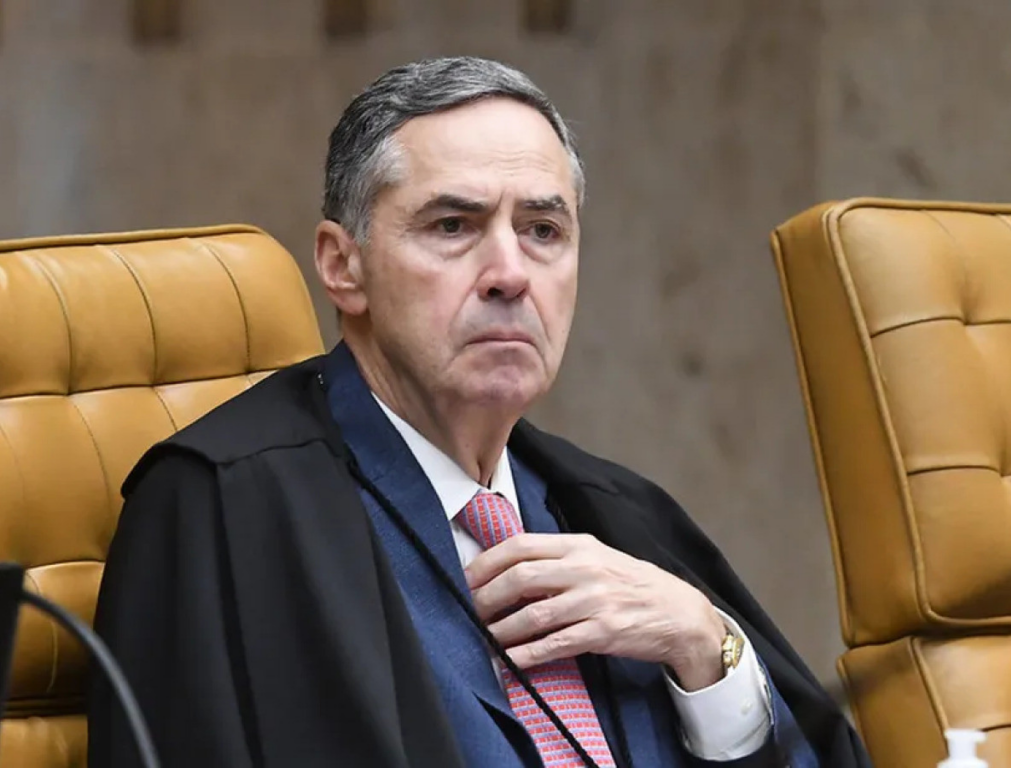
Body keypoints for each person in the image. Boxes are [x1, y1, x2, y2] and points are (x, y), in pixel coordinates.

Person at [88, 57, 870, 768]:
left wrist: (705, 648)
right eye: (453, 226)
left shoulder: (617, 513)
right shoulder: (222, 504)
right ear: (343, 265)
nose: (509, 274)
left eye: (543, 231)